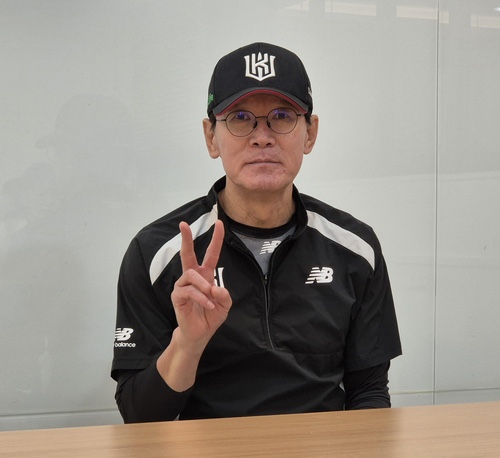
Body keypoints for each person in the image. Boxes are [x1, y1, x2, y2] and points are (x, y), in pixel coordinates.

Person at [111, 42, 402, 422]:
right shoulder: (157, 253)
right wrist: (188, 344)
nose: (262, 136)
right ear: (211, 137)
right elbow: (139, 417)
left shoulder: (355, 248)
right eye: (240, 117)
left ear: (310, 133)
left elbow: (369, 392)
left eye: (282, 116)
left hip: (323, 446)